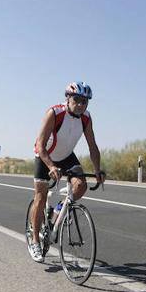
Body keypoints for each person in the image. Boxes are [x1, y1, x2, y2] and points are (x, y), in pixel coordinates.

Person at [28, 81, 106, 262]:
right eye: (77, 99)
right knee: (40, 197)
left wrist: (97, 170)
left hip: (66, 156)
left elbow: (92, 146)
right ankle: (34, 242)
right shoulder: (54, 113)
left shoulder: (86, 118)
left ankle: (59, 209)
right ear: (68, 98)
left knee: (81, 186)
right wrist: (51, 166)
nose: (80, 104)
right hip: (45, 156)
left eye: (84, 101)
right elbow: (40, 145)